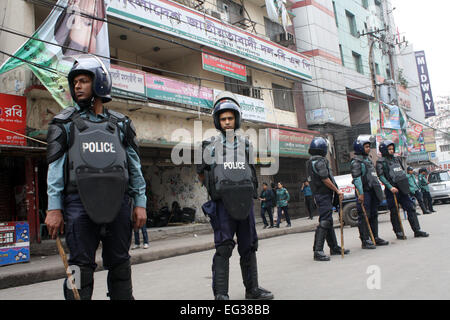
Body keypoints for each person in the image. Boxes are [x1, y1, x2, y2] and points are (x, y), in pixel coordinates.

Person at [45, 54, 147, 300]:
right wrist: (54, 208)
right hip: (78, 205)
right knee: (79, 269)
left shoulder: (121, 124)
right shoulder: (64, 123)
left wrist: (140, 203)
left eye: (83, 81)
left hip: (119, 204)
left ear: (100, 83)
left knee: (121, 265)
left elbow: (134, 168)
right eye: (75, 82)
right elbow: (55, 171)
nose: (77, 86)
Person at [197, 91, 273, 300]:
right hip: (223, 205)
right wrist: (217, 189)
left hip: (245, 202)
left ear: (236, 119)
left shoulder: (246, 144)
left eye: (230, 118)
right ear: (217, 121)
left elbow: (250, 169)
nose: (227, 122)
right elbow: (201, 173)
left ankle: (252, 290)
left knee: (248, 246)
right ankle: (221, 294)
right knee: (224, 248)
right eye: (223, 119)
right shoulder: (209, 146)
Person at [306, 137, 349, 261]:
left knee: (328, 221)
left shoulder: (311, 161)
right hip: (323, 195)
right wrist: (337, 190)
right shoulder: (319, 161)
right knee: (325, 221)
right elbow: (325, 179)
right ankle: (318, 250)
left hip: (320, 195)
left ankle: (334, 247)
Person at [376, 140, 429, 239]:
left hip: (402, 188)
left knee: (411, 208)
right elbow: (381, 176)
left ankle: (417, 230)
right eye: (389, 149)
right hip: (391, 190)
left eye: (392, 149)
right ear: (384, 150)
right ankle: (398, 232)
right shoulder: (380, 162)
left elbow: (402, 172)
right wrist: (390, 187)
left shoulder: (397, 159)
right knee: (395, 211)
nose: (391, 151)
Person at [350, 135, 389, 250]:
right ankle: (365, 240)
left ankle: (374, 237)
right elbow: (357, 179)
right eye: (366, 146)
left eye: (368, 146)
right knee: (364, 216)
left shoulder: (368, 160)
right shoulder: (356, 161)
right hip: (364, 192)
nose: (368, 148)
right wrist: (360, 194)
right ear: (359, 147)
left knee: (374, 215)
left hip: (372, 191)